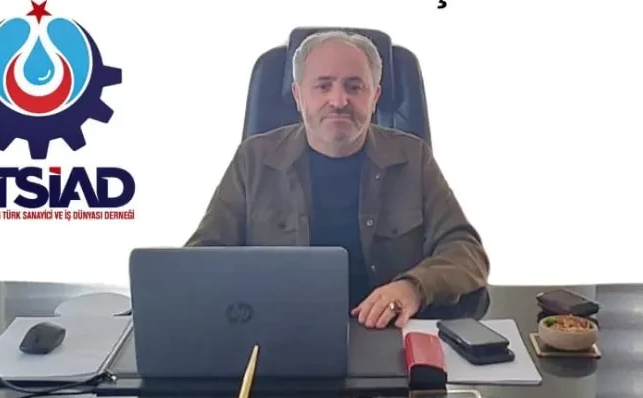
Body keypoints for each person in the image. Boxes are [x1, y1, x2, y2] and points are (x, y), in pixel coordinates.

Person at [185, 30, 489, 329]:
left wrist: (413, 288)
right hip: (276, 330)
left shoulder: (413, 158)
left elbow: (466, 251)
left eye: (354, 87)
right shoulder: (252, 159)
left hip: (387, 333)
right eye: (323, 86)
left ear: (375, 97)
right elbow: (200, 258)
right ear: (298, 95)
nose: (339, 100)